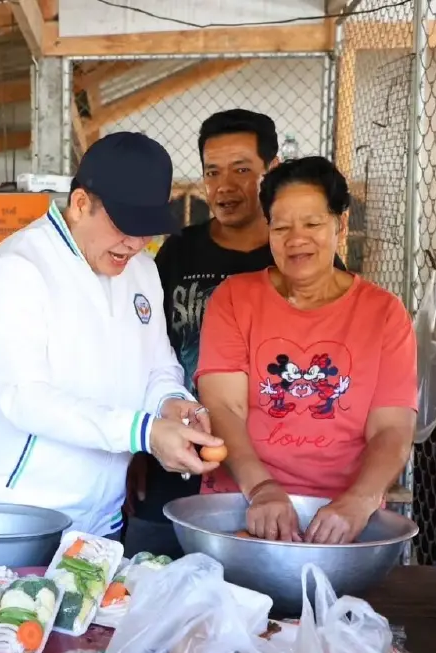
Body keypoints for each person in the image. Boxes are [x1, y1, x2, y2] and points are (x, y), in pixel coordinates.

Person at [0, 131, 222, 539]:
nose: (136, 243)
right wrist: (144, 432)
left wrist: (171, 402)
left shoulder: (140, 270)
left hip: (103, 512)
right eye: (125, 226)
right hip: (23, 516)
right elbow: (25, 398)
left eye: (147, 229)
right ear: (81, 204)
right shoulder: (17, 270)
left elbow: (158, 364)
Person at [122, 110, 345, 558]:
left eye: (242, 169)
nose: (225, 186)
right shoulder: (177, 253)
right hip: (177, 450)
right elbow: (140, 348)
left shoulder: (301, 258)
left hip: (271, 465)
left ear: (272, 170)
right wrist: (135, 444)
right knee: (153, 572)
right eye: (212, 172)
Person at [196, 156, 417, 544]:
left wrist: (359, 500)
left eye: (313, 224)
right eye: (281, 227)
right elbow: (223, 408)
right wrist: (262, 488)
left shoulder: (383, 313)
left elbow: (392, 428)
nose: (296, 239)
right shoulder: (234, 298)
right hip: (242, 502)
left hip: (340, 512)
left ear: (340, 225)